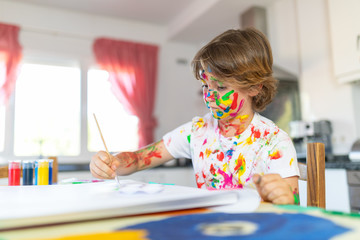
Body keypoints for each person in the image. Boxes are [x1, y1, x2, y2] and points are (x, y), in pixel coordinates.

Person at [90, 28, 300, 205]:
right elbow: (138, 160)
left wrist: (284, 198)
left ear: (254, 87)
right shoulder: (197, 131)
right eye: (205, 85)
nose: (208, 96)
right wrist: (113, 162)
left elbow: (294, 209)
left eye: (220, 86)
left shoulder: (274, 142)